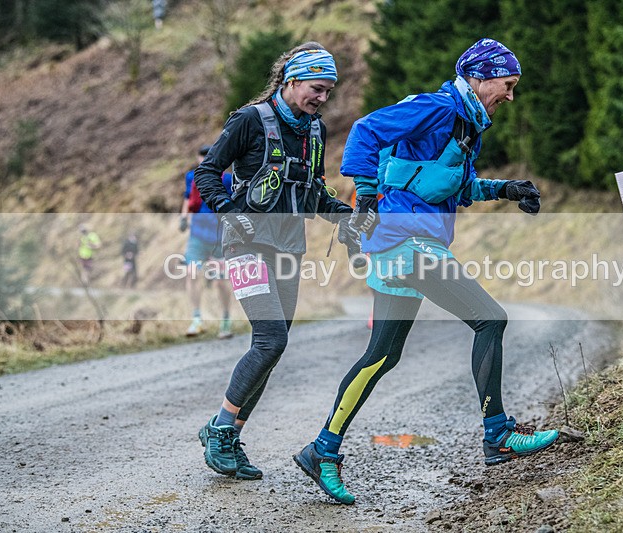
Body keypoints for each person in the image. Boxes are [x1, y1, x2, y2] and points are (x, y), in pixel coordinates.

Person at [293, 38, 558, 505]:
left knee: (382, 355)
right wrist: (367, 192)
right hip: (405, 241)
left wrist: (507, 189)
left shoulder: (467, 124)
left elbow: (454, 186)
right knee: (490, 319)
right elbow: (366, 130)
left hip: (404, 243)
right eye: (507, 84)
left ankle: (322, 450)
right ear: (479, 77)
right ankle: (497, 433)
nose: (510, 96)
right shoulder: (437, 108)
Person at [193, 42, 359, 480]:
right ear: (291, 81)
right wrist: (228, 211)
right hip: (245, 244)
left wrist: (346, 216)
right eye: (317, 88)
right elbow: (207, 172)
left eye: (328, 91)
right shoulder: (250, 119)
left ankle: (230, 435)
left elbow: (312, 192)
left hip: (289, 247)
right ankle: (219, 429)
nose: (322, 98)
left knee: (271, 347)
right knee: (271, 340)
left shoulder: (315, 131)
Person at [180, 144, 234, 339]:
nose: (203, 159)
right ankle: (197, 319)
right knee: (191, 273)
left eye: (207, 156)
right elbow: (188, 198)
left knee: (220, 282)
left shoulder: (227, 179)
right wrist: (183, 217)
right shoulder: (192, 177)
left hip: (220, 238)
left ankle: (226, 319)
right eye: (201, 156)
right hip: (197, 236)